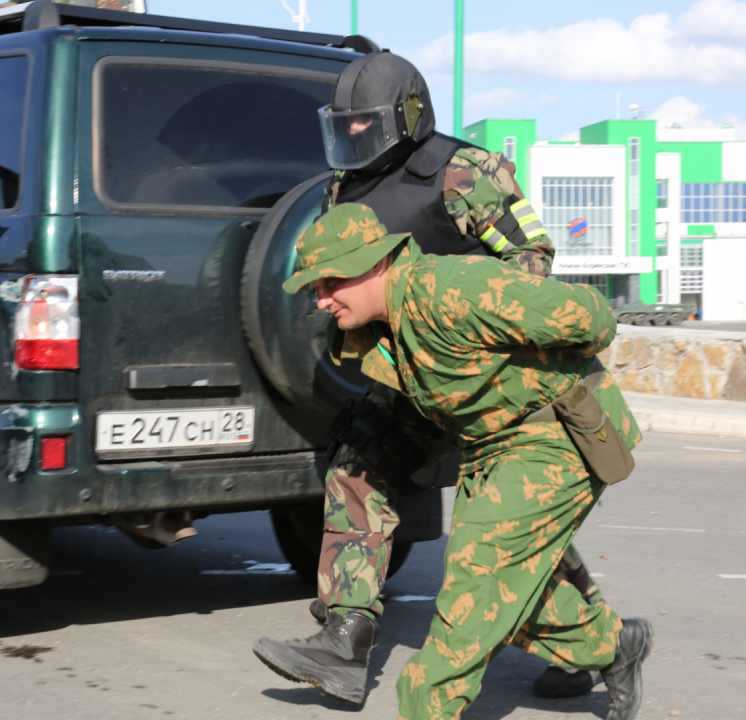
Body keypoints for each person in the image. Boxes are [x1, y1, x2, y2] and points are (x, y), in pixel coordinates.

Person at [252, 51, 609, 703]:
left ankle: (585, 643)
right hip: (410, 376)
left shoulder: (464, 171)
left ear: (407, 117)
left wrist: (456, 308)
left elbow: (533, 259)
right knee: (355, 467)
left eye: (367, 126)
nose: (354, 139)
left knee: (513, 524)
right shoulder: (344, 185)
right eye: (346, 126)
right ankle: (346, 639)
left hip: (486, 375)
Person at [269, 203, 652, 720]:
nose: (319, 299)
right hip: (490, 445)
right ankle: (613, 646)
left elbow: (593, 317)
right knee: (503, 600)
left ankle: (426, 708)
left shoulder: (455, 289)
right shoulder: (385, 327)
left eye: (328, 282)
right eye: (313, 287)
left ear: (373, 263)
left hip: (551, 439)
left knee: (471, 602)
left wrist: (552, 369)